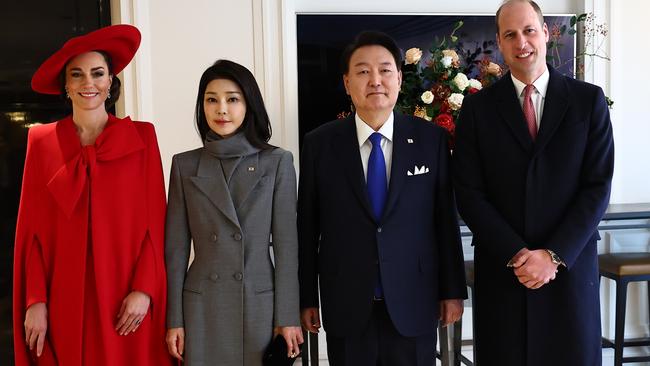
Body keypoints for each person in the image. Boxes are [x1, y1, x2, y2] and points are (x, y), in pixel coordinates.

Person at [453, 1, 615, 365]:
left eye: (528, 30)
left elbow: (597, 187)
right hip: (504, 269)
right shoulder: (477, 110)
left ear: (545, 33)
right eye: (510, 34)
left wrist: (553, 255)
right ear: (499, 41)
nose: (521, 41)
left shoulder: (588, 102)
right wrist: (517, 254)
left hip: (568, 272)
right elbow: (468, 192)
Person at [298, 31, 467, 366]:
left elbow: (444, 221)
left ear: (400, 78)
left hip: (414, 299)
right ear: (347, 83)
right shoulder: (320, 144)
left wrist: (452, 291)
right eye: (362, 72)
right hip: (346, 300)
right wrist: (305, 298)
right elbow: (307, 226)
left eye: (385, 70)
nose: (375, 80)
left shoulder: (430, 140)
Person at [13, 25, 172, 365]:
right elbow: (32, 232)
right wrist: (35, 299)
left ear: (111, 82)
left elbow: (156, 222)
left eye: (98, 73)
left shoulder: (143, 137)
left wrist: (145, 290)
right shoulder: (41, 142)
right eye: (77, 75)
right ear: (66, 85)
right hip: (64, 297)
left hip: (126, 296)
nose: (89, 83)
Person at [164, 59, 303, 365]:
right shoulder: (184, 165)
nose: (221, 109)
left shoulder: (277, 162)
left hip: (259, 304)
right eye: (211, 100)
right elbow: (175, 252)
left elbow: (287, 247)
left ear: (249, 104)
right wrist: (174, 318)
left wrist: (288, 315)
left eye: (232, 99)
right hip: (201, 307)